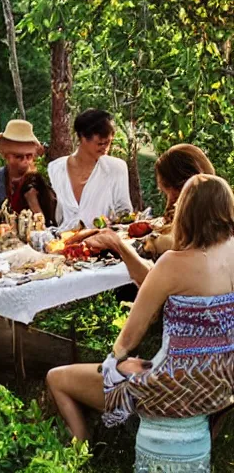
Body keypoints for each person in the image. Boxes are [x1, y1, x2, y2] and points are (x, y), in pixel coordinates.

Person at [46, 174, 234, 443]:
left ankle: (80, 452)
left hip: (173, 390)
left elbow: (129, 337)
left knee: (58, 378)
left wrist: (116, 366)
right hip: (221, 387)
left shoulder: (172, 263)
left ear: (186, 213)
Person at [85, 144, 215, 286]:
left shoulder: (185, 238)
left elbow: (154, 286)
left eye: (166, 192)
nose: (169, 202)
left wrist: (118, 244)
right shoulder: (219, 219)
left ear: (177, 190)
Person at [48, 109, 132, 231]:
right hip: (61, 244)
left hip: (102, 244)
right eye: (100, 144)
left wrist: (112, 223)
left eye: (108, 143)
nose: (105, 148)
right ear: (82, 137)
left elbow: (125, 214)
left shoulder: (116, 168)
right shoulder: (55, 169)